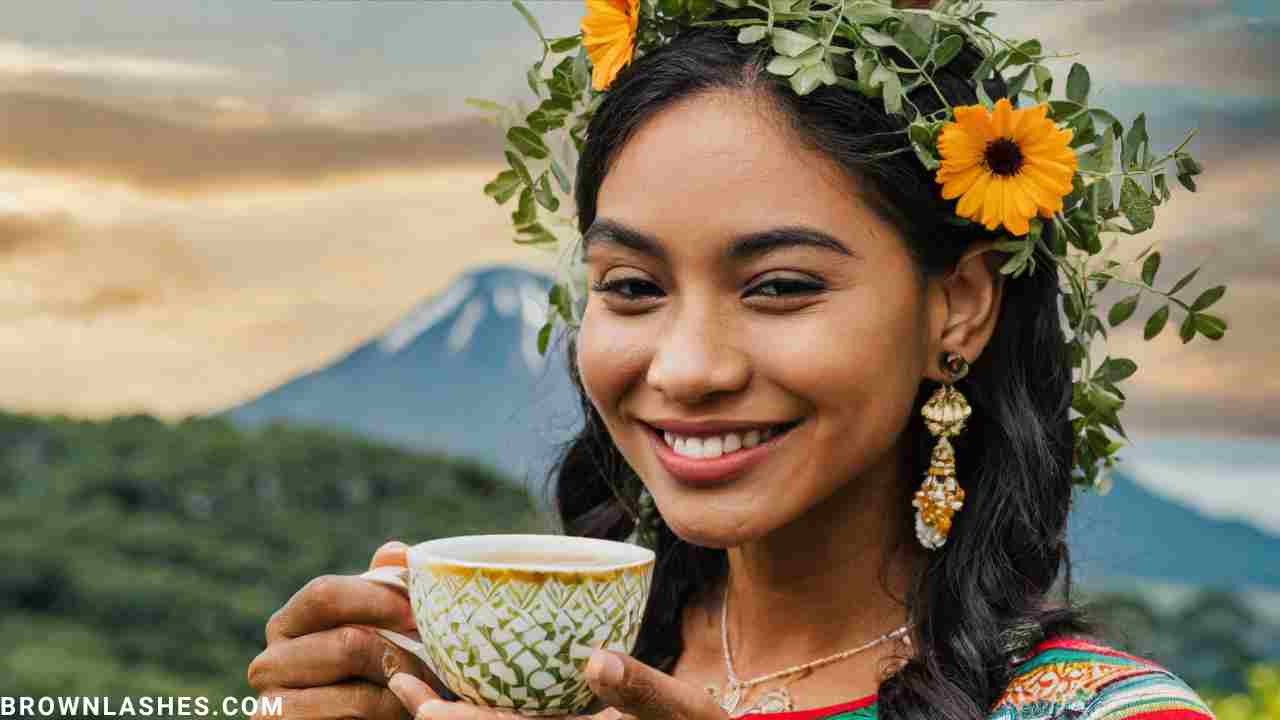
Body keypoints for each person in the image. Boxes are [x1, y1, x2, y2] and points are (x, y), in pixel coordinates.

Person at [246, 5, 1221, 720]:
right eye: (631, 286)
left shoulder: (1111, 713)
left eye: (779, 286)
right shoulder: (517, 694)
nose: (686, 366)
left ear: (956, 304)